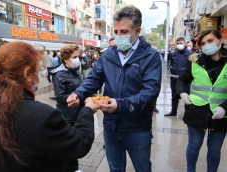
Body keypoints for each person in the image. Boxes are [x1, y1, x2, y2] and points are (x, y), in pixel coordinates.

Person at [0, 42, 98, 172]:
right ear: (27, 74)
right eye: (37, 69)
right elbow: (79, 144)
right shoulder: (43, 116)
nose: (38, 74)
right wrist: (87, 110)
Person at [67, 6, 162, 171]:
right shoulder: (108, 55)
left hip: (137, 127)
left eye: (124, 31)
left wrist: (120, 105)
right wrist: (78, 94)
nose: (118, 36)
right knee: (116, 168)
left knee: (142, 167)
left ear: (137, 31)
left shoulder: (150, 57)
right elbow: (94, 79)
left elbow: (150, 91)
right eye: (116, 32)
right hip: (111, 126)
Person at [176, 29, 227, 172]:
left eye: (210, 41)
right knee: (194, 145)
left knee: (215, 148)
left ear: (220, 42)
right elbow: (182, 80)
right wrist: (183, 93)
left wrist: (225, 107)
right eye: (203, 43)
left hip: (221, 114)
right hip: (197, 110)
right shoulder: (195, 62)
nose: (206, 45)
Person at [50, 44, 84, 171]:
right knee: (68, 146)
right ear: (65, 59)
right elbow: (59, 96)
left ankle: (74, 168)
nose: (77, 59)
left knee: (74, 145)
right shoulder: (60, 74)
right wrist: (77, 97)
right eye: (74, 57)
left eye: (78, 56)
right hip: (67, 116)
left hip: (77, 113)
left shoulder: (75, 70)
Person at [164, 37, 192, 116]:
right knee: (174, 96)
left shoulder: (189, 53)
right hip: (174, 78)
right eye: (178, 43)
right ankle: (173, 111)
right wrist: (171, 68)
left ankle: (187, 113)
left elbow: (191, 67)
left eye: (181, 43)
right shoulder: (173, 54)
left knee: (186, 96)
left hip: (184, 79)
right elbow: (171, 63)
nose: (179, 45)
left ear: (185, 43)